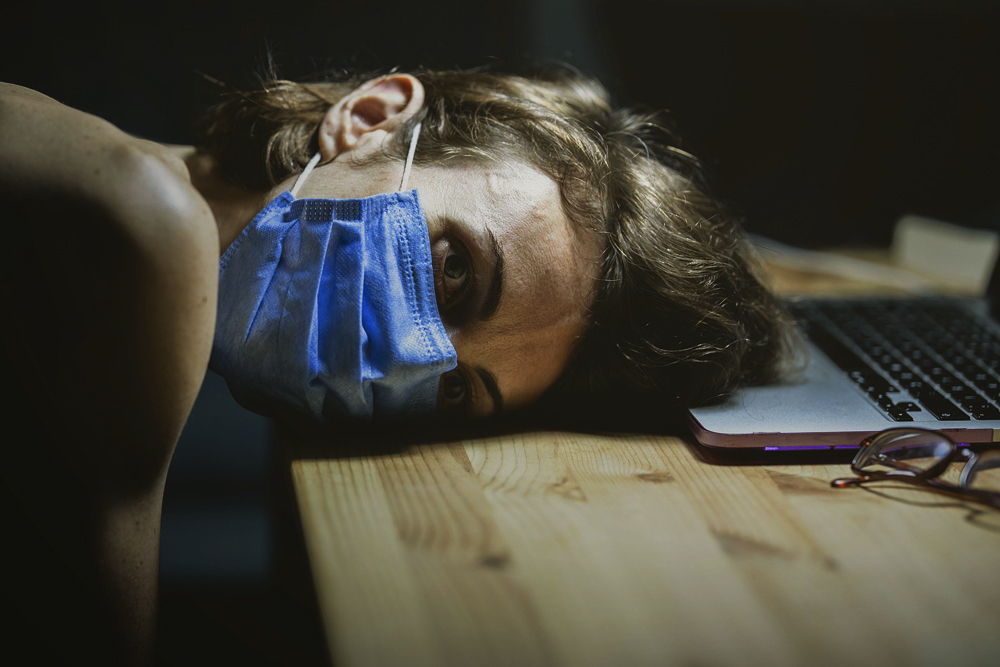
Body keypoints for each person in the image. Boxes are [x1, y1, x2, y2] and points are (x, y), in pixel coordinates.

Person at [0, 63, 792, 663]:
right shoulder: (144, 230)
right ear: (369, 118)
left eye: (455, 390)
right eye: (455, 271)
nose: (406, 357)